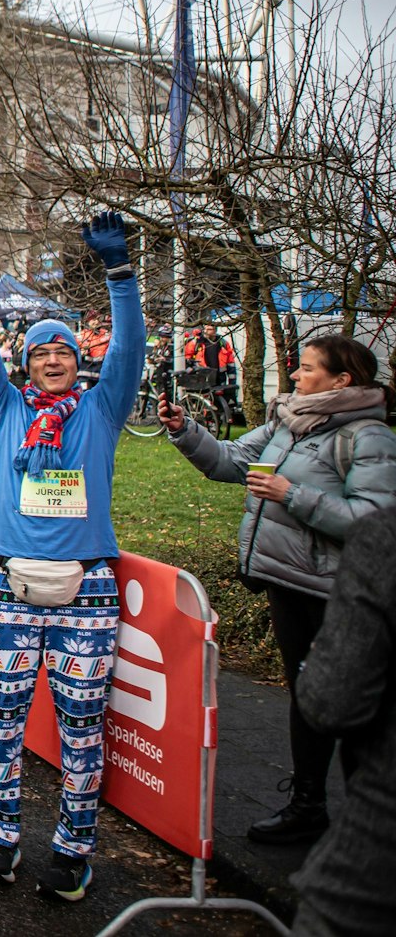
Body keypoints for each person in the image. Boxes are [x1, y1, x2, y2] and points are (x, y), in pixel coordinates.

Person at [0, 206, 144, 902]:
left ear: (77, 362)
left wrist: (120, 273)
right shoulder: (4, 409)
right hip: (7, 587)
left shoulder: (102, 410)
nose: (52, 360)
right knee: (0, 724)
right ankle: (2, 837)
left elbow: (129, 351)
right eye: (39, 353)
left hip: (87, 592)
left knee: (81, 729)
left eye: (62, 352)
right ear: (25, 363)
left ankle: (72, 849)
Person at [162, 333, 395, 843]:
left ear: (341, 380)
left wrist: (293, 494)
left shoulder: (368, 437)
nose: (294, 376)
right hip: (287, 581)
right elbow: (230, 462)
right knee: (305, 696)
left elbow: (374, 521)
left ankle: (367, 826)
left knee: (347, 704)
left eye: (307, 368)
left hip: (337, 592)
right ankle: (308, 804)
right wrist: (187, 431)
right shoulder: (287, 422)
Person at [288, 501, 396, 937]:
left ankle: (308, 802)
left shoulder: (383, 539)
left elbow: (330, 703)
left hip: (373, 873)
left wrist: (316, 665)